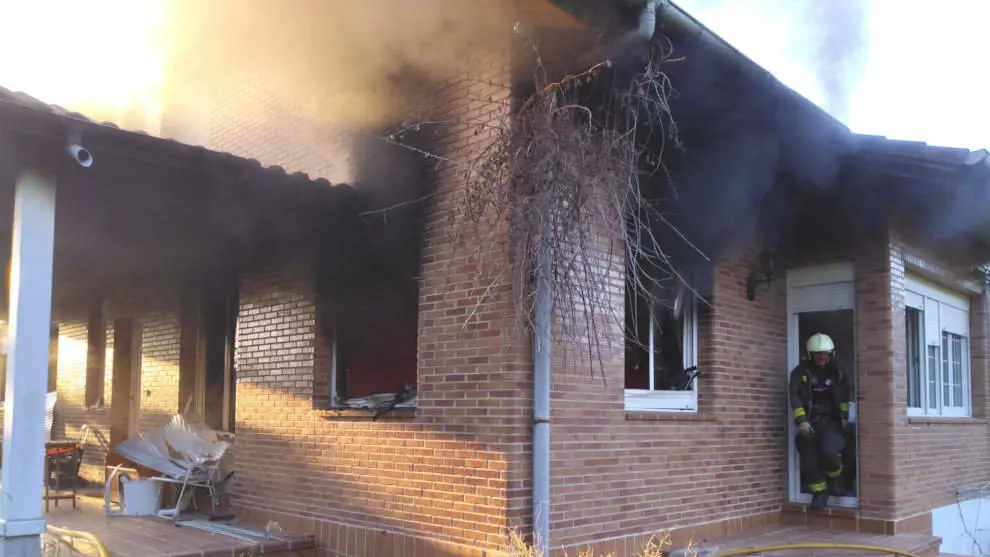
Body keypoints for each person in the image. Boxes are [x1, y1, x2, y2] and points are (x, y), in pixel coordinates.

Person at [788, 332, 850, 509]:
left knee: (829, 451)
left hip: (832, 423)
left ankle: (836, 479)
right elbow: (795, 397)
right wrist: (802, 420)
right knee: (809, 458)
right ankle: (820, 493)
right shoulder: (800, 374)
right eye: (817, 353)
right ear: (810, 354)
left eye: (825, 353)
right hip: (810, 423)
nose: (821, 357)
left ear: (830, 354)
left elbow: (844, 398)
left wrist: (844, 419)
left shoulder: (837, 374)